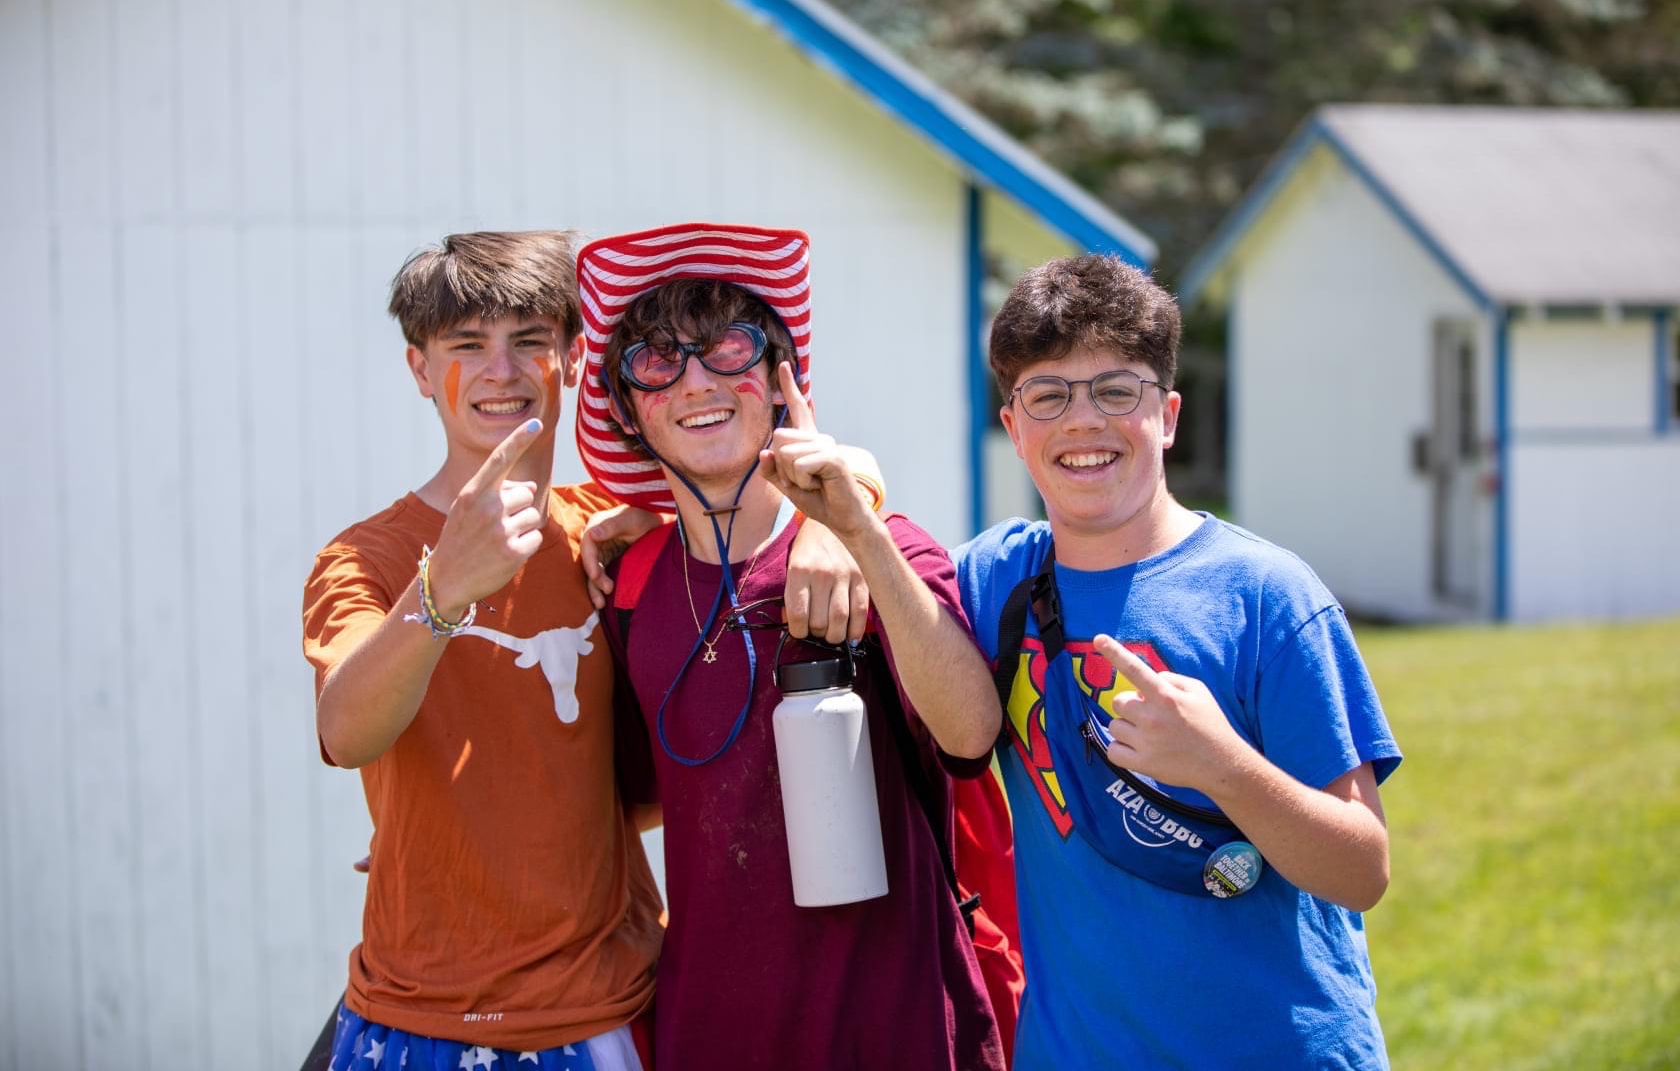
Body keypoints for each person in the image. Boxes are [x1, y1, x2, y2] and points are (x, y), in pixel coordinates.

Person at [300, 230, 868, 1070]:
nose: (502, 371)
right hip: (421, 1016)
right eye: (466, 346)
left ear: (571, 358)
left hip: (615, 1008)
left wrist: (834, 521)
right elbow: (346, 733)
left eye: (529, 341)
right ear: (420, 369)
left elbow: (775, 483)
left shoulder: (618, 535)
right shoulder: (367, 558)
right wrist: (442, 590)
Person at [952, 253, 1403, 1069]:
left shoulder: (1266, 596)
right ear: (1015, 429)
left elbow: (1360, 869)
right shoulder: (994, 580)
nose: (1083, 422)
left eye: (1117, 391)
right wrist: (835, 526)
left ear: (1166, 415)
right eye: (1048, 395)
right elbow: (885, 573)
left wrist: (1221, 764)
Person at [577, 222, 1007, 1071]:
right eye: (657, 361)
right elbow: (624, 799)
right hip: (709, 1031)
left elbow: (970, 734)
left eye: (728, 347)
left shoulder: (883, 547)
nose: (697, 379)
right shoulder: (625, 583)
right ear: (629, 411)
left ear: (780, 384)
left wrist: (856, 528)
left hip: (900, 1030)